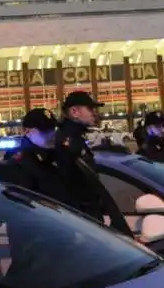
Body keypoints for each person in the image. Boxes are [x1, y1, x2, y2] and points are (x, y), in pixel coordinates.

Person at [55, 92, 132, 235]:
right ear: (74, 112)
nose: (94, 113)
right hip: (81, 222)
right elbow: (73, 185)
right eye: (90, 109)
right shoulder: (69, 141)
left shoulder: (75, 137)